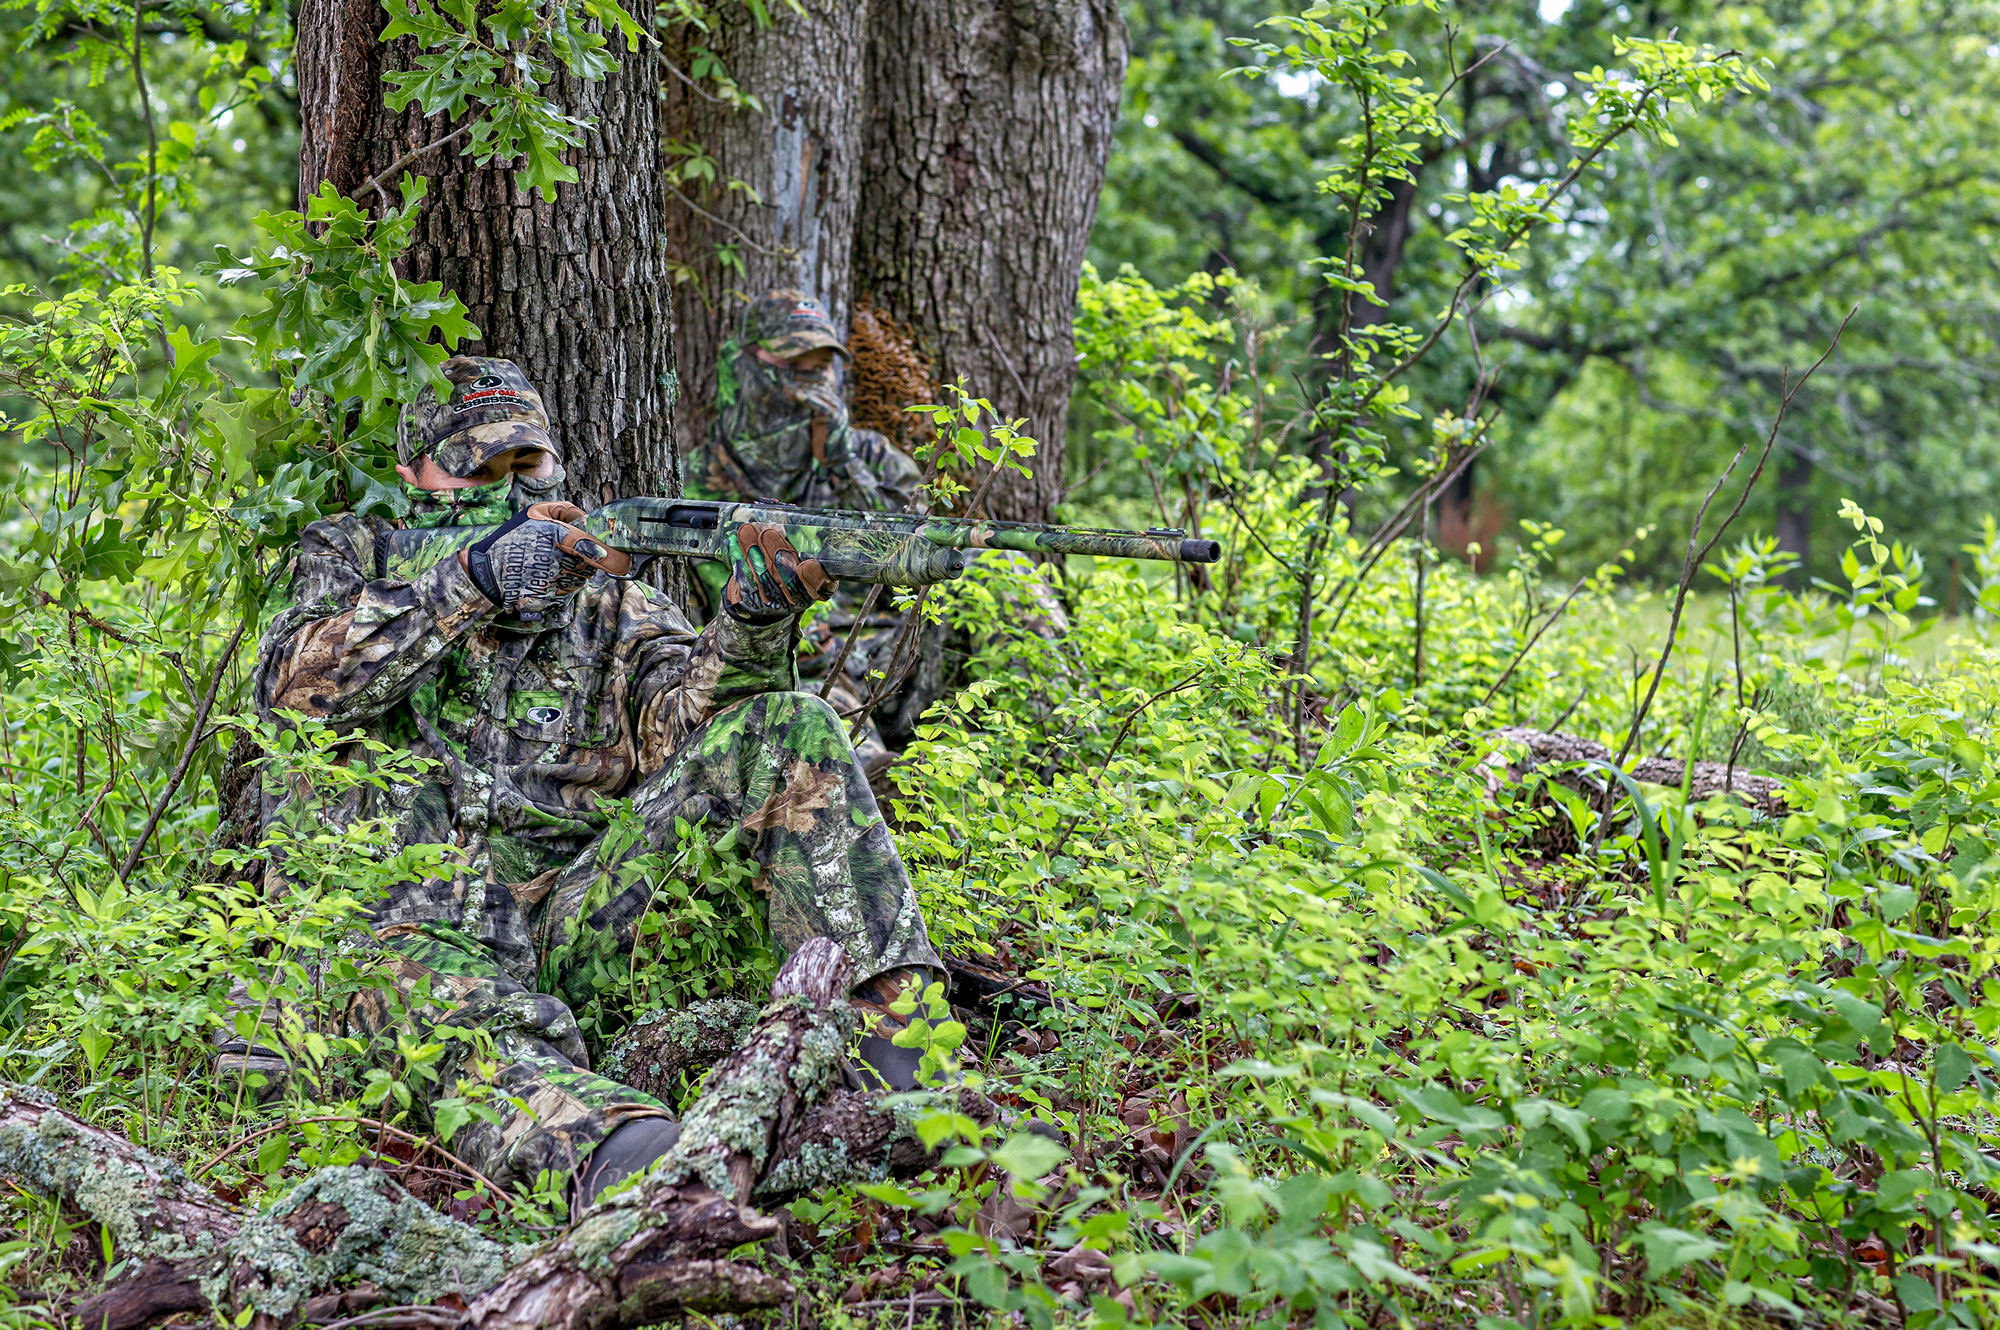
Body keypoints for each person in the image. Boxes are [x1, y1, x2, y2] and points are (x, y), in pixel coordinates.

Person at [238, 355, 949, 1209]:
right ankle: (633, 1165)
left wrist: (756, 623)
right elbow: (294, 688)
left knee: (790, 727)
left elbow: (698, 743)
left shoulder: (612, 605)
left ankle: (915, 1080)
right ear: (411, 476)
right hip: (396, 944)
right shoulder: (350, 554)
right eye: (477, 469)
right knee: (407, 985)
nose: (507, 489)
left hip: (576, 936)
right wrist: (474, 579)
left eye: (526, 465)